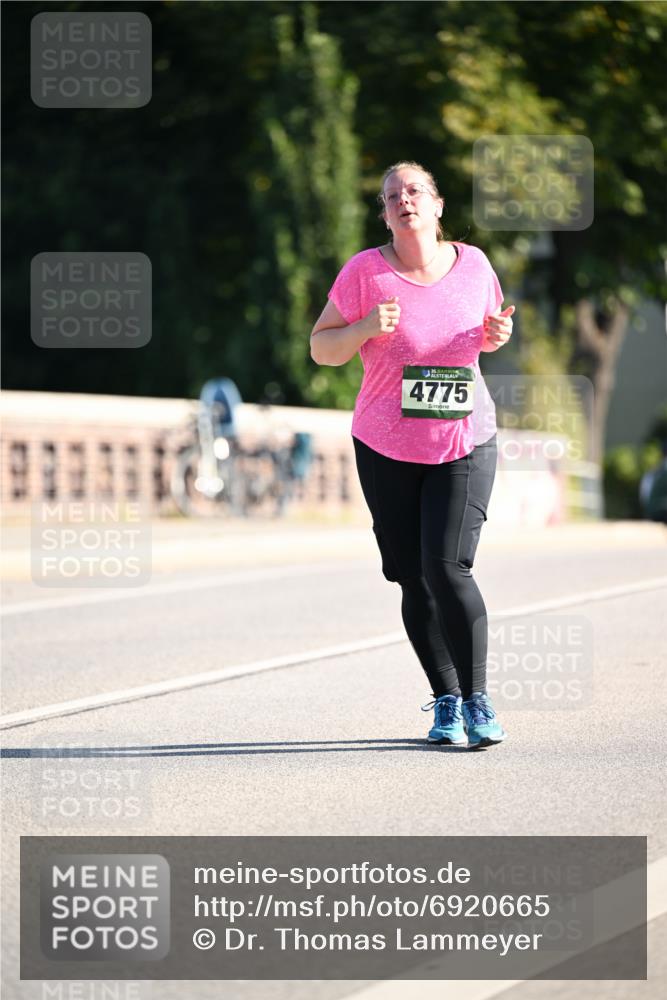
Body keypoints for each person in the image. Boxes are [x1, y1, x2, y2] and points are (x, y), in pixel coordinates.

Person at [310, 160, 515, 749]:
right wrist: (364, 328)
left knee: (448, 567)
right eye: (392, 195)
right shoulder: (364, 274)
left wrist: (497, 337)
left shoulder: (474, 265)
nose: (405, 200)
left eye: (416, 191)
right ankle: (446, 700)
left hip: (462, 440)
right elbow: (322, 349)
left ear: (438, 205)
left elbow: (488, 329)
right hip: (385, 444)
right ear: (384, 212)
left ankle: (478, 700)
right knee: (411, 577)